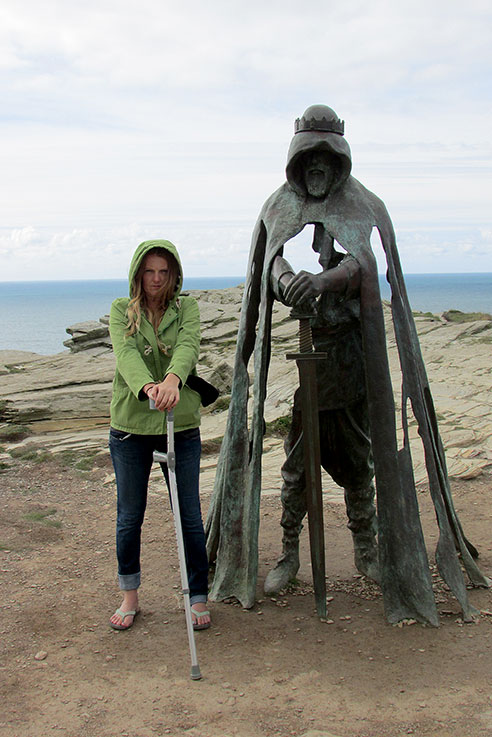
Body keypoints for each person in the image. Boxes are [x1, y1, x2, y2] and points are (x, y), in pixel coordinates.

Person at [206, 105, 488, 625]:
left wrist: (328, 281)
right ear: (297, 161)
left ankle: (367, 548)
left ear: (338, 161)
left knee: (360, 462)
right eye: (307, 158)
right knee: (296, 464)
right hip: (309, 359)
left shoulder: (364, 206)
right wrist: (286, 274)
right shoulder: (277, 206)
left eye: (324, 158)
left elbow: (365, 262)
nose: (316, 168)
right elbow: (266, 260)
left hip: (352, 358)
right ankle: (289, 552)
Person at [108, 239, 210, 631]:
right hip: (131, 425)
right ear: (138, 273)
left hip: (179, 423)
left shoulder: (188, 308)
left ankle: (197, 594)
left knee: (188, 514)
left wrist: (171, 379)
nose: (155, 279)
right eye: (149, 271)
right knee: (130, 516)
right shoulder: (121, 309)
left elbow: (188, 346)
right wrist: (149, 387)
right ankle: (129, 595)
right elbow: (125, 354)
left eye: (162, 272)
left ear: (173, 274)